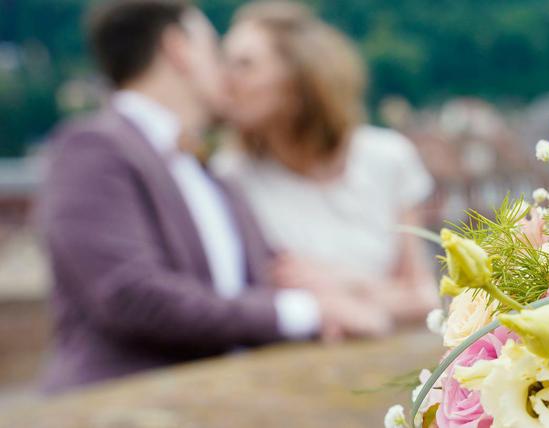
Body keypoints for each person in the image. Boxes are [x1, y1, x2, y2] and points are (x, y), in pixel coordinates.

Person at [37, 0, 387, 393]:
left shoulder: (213, 174)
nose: (224, 72)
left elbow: (270, 276)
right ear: (177, 48)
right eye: (214, 50)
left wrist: (335, 291)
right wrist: (305, 311)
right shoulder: (92, 146)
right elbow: (130, 295)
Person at [214, 1, 438, 323]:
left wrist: (345, 285)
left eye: (245, 65)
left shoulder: (389, 158)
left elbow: (425, 299)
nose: (225, 82)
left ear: (298, 78)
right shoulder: (231, 177)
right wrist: (376, 298)